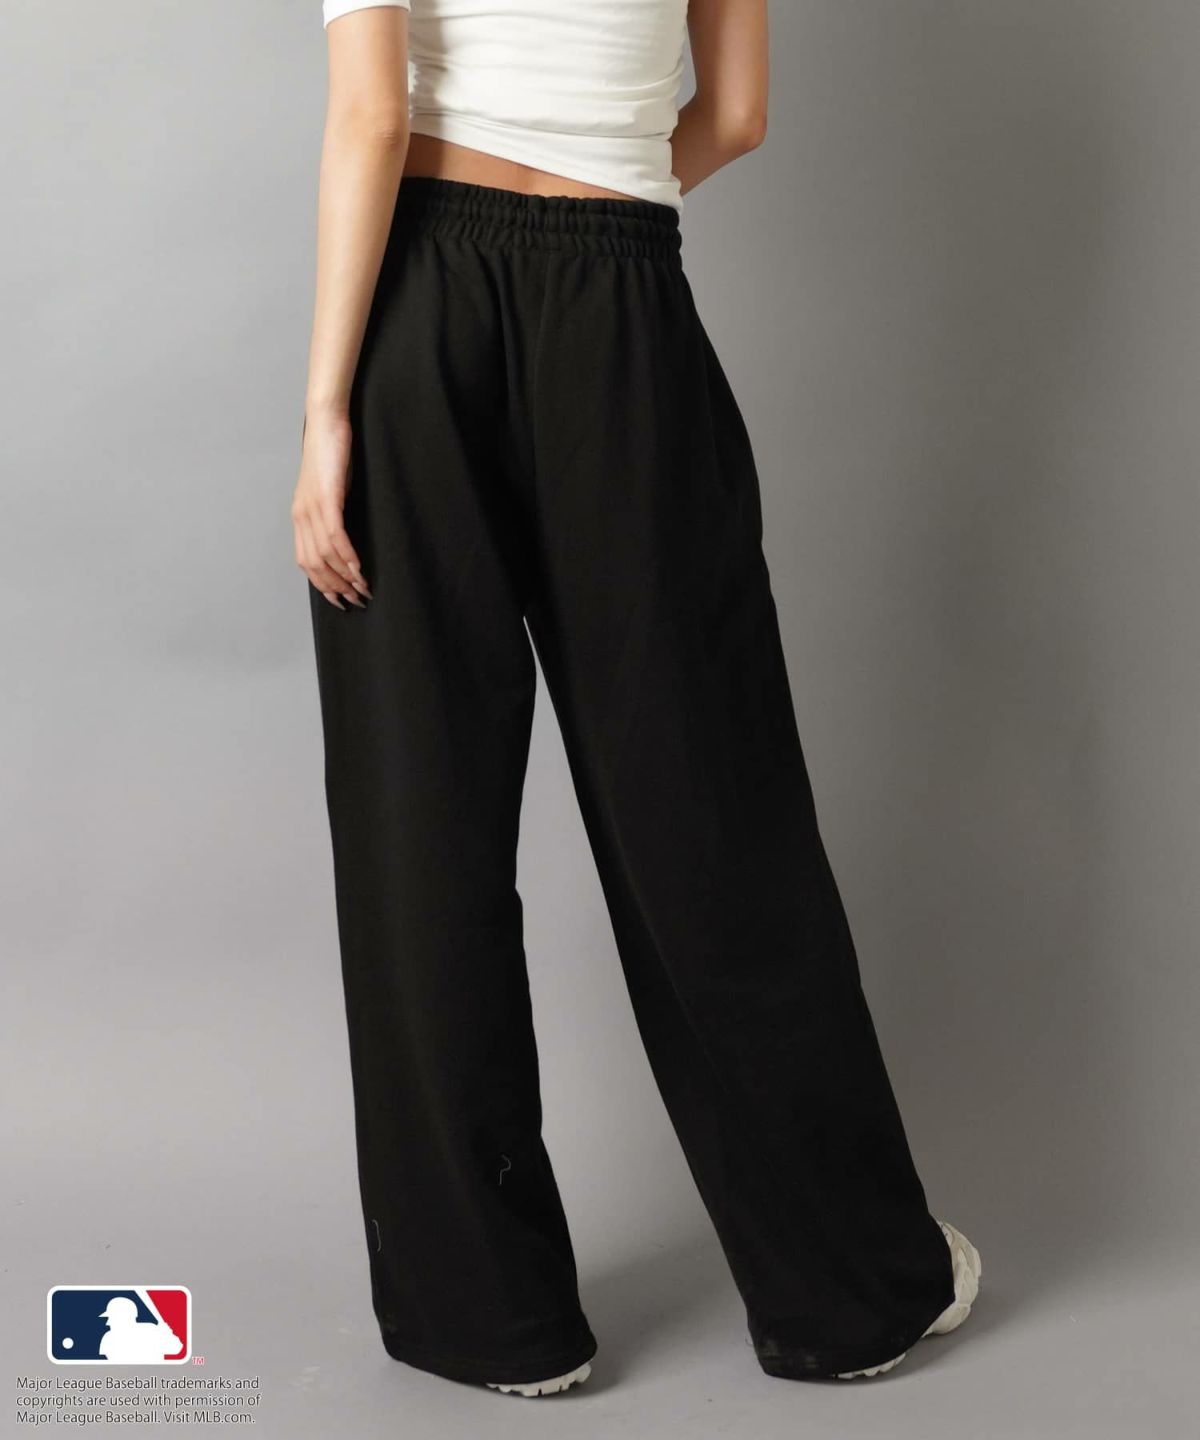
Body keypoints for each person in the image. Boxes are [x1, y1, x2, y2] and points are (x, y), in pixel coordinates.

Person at [292, 0, 981, 1398]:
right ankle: (851, 1293)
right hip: (622, 308)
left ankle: (491, 1323)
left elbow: (373, 114)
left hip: (415, 314)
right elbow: (734, 116)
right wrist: (598, 177)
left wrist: (326, 414)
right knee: (709, 809)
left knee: (421, 823)